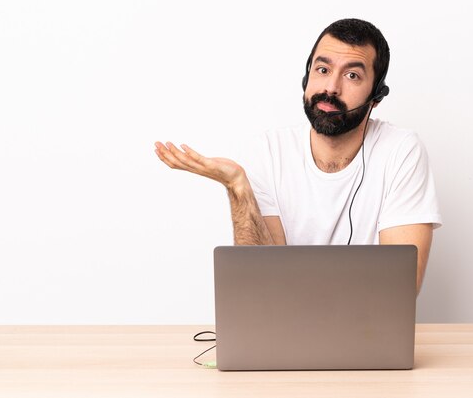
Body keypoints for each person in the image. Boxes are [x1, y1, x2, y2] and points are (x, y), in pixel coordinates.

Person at [154, 18, 442, 294]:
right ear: (306, 78)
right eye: (323, 70)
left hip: (366, 333)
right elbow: (259, 282)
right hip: (278, 332)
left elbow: (400, 287)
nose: (331, 88)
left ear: (376, 95)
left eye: (352, 75)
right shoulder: (266, 152)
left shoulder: (401, 151)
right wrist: (237, 187)